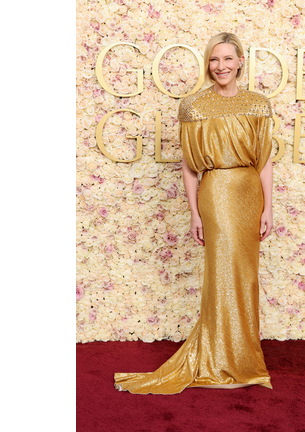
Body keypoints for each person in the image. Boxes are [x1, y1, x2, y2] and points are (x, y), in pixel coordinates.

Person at [114, 32, 275, 394]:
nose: (221, 66)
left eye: (228, 59)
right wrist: (195, 213)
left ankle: (245, 358)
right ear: (208, 64)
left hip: (249, 192)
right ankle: (220, 359)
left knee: (247, 276)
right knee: (222, 273)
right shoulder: (193, 106)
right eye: (214, 60)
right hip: (216, 193)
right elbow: (189, 168)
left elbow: (264, 161)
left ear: (240, 62)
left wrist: (268, 207)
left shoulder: (259, 103)